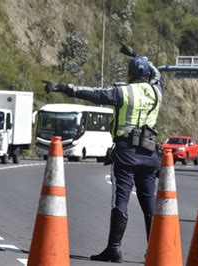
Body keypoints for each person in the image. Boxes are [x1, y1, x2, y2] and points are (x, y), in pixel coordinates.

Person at [43, 47, 163, 262]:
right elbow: (157, 72)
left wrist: (63, 87)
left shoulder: (123, 92)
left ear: (130, 74)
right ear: (146, 74)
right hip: (150, 152)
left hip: (126, 152)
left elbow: (93, 94)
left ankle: (114, 248)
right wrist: (136, 54)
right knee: (149, 203)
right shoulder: (157, 90)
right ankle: (154, 251)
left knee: (121, 198)